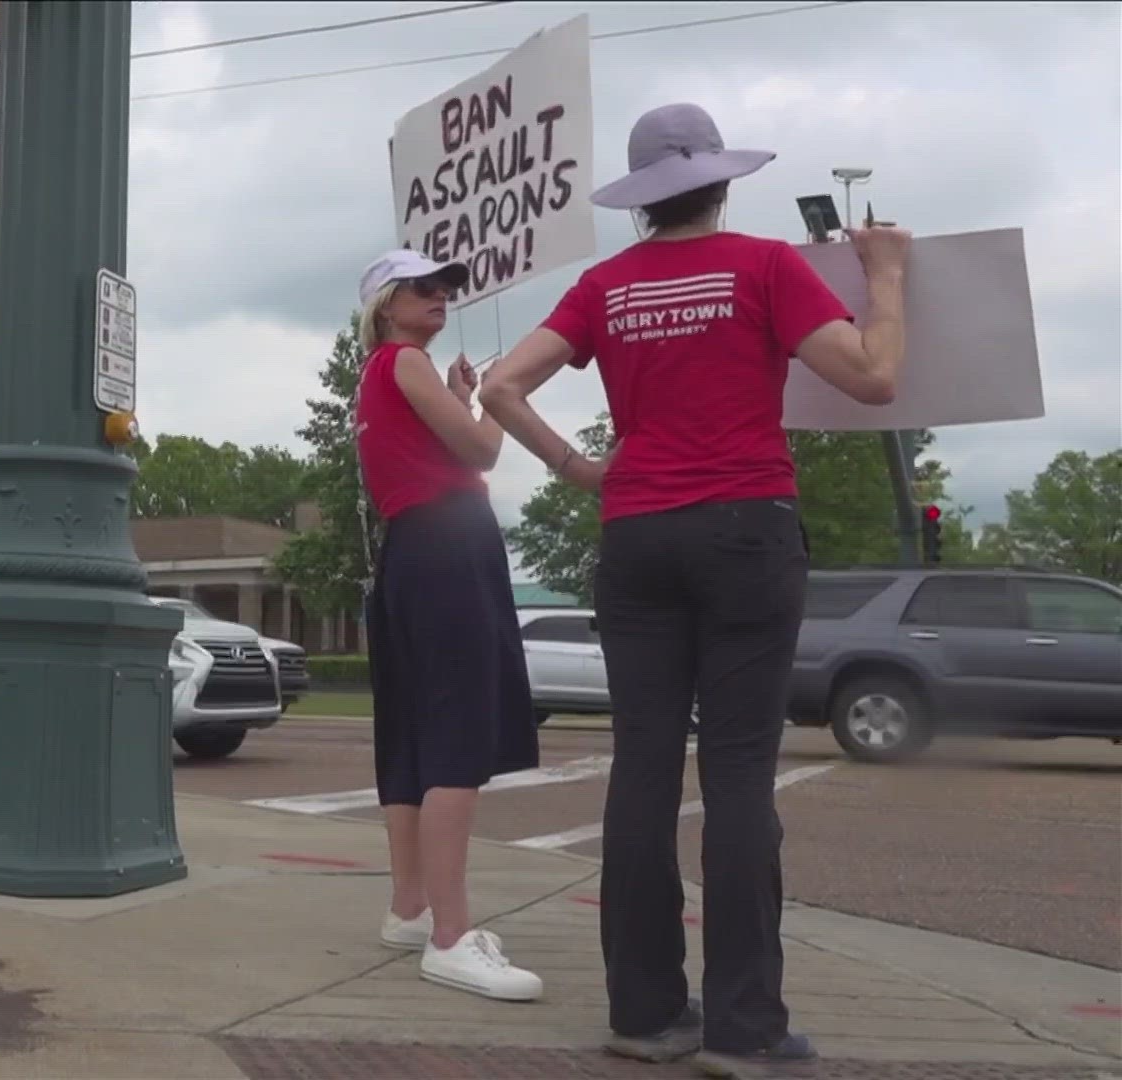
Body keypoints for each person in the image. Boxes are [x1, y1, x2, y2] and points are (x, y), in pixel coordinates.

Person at [480, 103, 908, 1077]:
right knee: (739, 776)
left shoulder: (606, 285)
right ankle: (745, 1028)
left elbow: (502, 387)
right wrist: (883, 275)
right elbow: (874, 377)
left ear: (642, 199)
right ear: (720, 180)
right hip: (745, 530)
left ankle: (644, 1011)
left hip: (636, 535)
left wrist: (579, 468)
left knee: (640, 770)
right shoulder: (763, 266)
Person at [355, 249, 544, 1002]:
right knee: (457, 734)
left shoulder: (376, 377)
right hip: (450, 542)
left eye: (444, 290)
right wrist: (483, 403)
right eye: (421, 289)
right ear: (384, 304)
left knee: (410, 733)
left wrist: (457, 396)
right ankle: (451, 937)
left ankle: (411, 907)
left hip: (409, 549)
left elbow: (428, 450)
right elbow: (483, 450)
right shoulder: (405, 363)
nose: (440, 299)